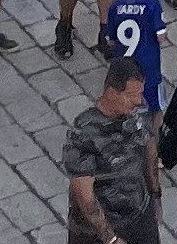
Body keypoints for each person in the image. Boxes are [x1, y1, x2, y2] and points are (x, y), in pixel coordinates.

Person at [62, 55, 162, 244]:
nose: (139, 101)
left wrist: (155, 194)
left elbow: (150, 148)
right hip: (98, 232)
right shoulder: (83, 134)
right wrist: (111, 239)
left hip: (139, 217)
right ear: (112, 92)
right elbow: (85, 195)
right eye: (132, 95)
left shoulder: (136, 115)